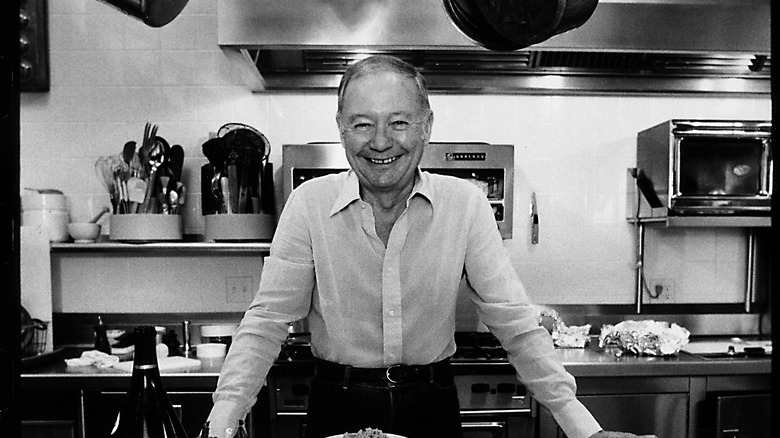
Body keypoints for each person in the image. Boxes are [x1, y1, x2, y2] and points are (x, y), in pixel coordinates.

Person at [206, 55, 656, 438]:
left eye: (398, 122)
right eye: (362, 124)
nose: (380, 141)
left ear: (426, 127)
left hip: (431, 405)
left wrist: (584, 428)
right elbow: (266, 322)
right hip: (336, 402)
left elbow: (515, 323)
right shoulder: (308, 204)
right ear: (342, 129)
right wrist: (221, 426)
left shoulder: (465, 204)